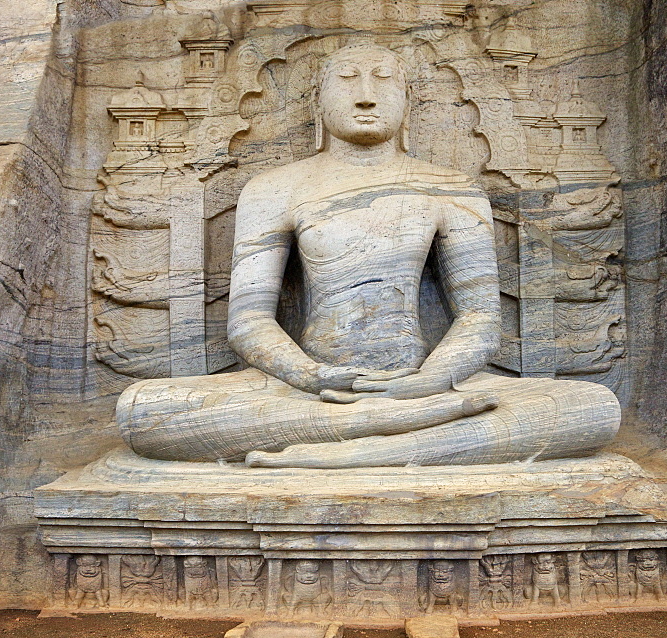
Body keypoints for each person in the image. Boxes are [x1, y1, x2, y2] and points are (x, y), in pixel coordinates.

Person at [115, 44, 620, 468]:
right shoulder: (274, 188)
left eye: (383, 80)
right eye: (347, 80)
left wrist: (426, 383)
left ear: (408, 102)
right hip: (310, 392)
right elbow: (249, 323)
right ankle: (397, 436)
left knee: (591, 408)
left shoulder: (450, 188)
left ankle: (340, 450)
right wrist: (312, 376)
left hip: (427, 385)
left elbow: (481, 319)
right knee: (142, 412)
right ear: (318, 102)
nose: (365, 95)